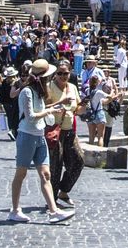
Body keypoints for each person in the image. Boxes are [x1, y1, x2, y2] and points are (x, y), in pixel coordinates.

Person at [10, 60, 74, 223]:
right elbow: (30, 116)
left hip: (39, 135)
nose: (50, 79)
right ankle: (15, 210)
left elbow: (43, 112)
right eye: (48, 76)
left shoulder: (38, 92)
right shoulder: (26, 92)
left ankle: (53, 211)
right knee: (21, 173)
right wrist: (50, 111)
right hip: (26, 135)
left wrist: (53, 110)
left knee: (46, 174)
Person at [46, 61, 84, 208]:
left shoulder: (73, 87)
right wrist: (61, 102)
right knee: (55, 166)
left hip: (70, 130)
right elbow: (45, 107)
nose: (63, 76)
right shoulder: (49, 88)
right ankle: (52, 200)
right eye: (60, 73)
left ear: (70, 73)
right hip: (55, 129)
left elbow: (77, 108)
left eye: (65, 73)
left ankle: (64, 190)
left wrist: (83, 107)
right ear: (55, 74)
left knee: (79, 160)